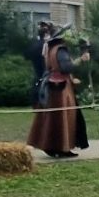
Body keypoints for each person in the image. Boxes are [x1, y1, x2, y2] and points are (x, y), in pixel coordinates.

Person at [26, 25, 90, 158]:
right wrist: (81, 60)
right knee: (64, 117)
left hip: (53, 85)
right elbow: (66, 67)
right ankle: (61, 147)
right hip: (61, 90)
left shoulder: (51, 49)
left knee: (53, 118)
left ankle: (55, 146)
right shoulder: (60, 50)